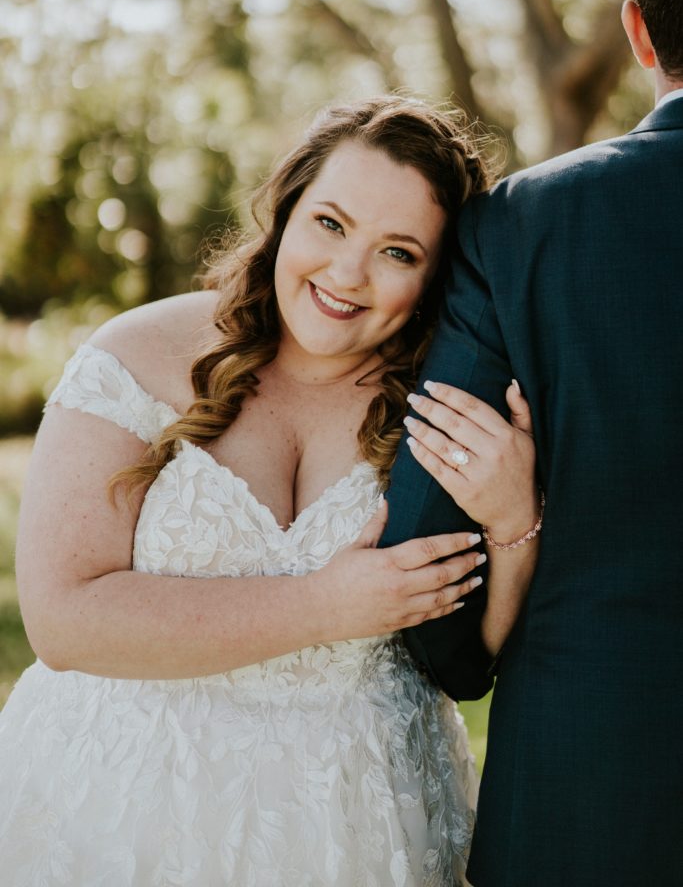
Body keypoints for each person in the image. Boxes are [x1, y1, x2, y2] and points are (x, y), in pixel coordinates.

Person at [0, 97, 539, 886]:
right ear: (285, 212)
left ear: (435, 275)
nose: (346, 274)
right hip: (122, 807)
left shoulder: (444, 404)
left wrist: (513, 517)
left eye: (397, 251)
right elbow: (61, 620)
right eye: (329, 223)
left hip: (357, 815)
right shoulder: (136, 355)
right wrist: (325, 607)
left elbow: (472, 659)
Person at [380, 0, 683, 887]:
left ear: (638, 32)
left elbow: (432, 578)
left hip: (582, 795)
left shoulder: (518, 229)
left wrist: (465, 649)